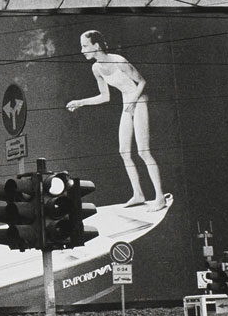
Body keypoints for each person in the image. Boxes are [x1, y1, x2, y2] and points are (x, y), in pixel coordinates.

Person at [66, 31, 166, 210]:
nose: (82, 50)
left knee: (143, 151)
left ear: (96, 46)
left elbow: (142, 82)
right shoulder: (96, 68)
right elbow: (105, 97)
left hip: (139, 99)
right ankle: (138, 194)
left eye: (85, 46)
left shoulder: (119, 61)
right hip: (127, 102)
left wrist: (133, 101)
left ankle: (160, 197)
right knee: (124, 152)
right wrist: (80, 102)